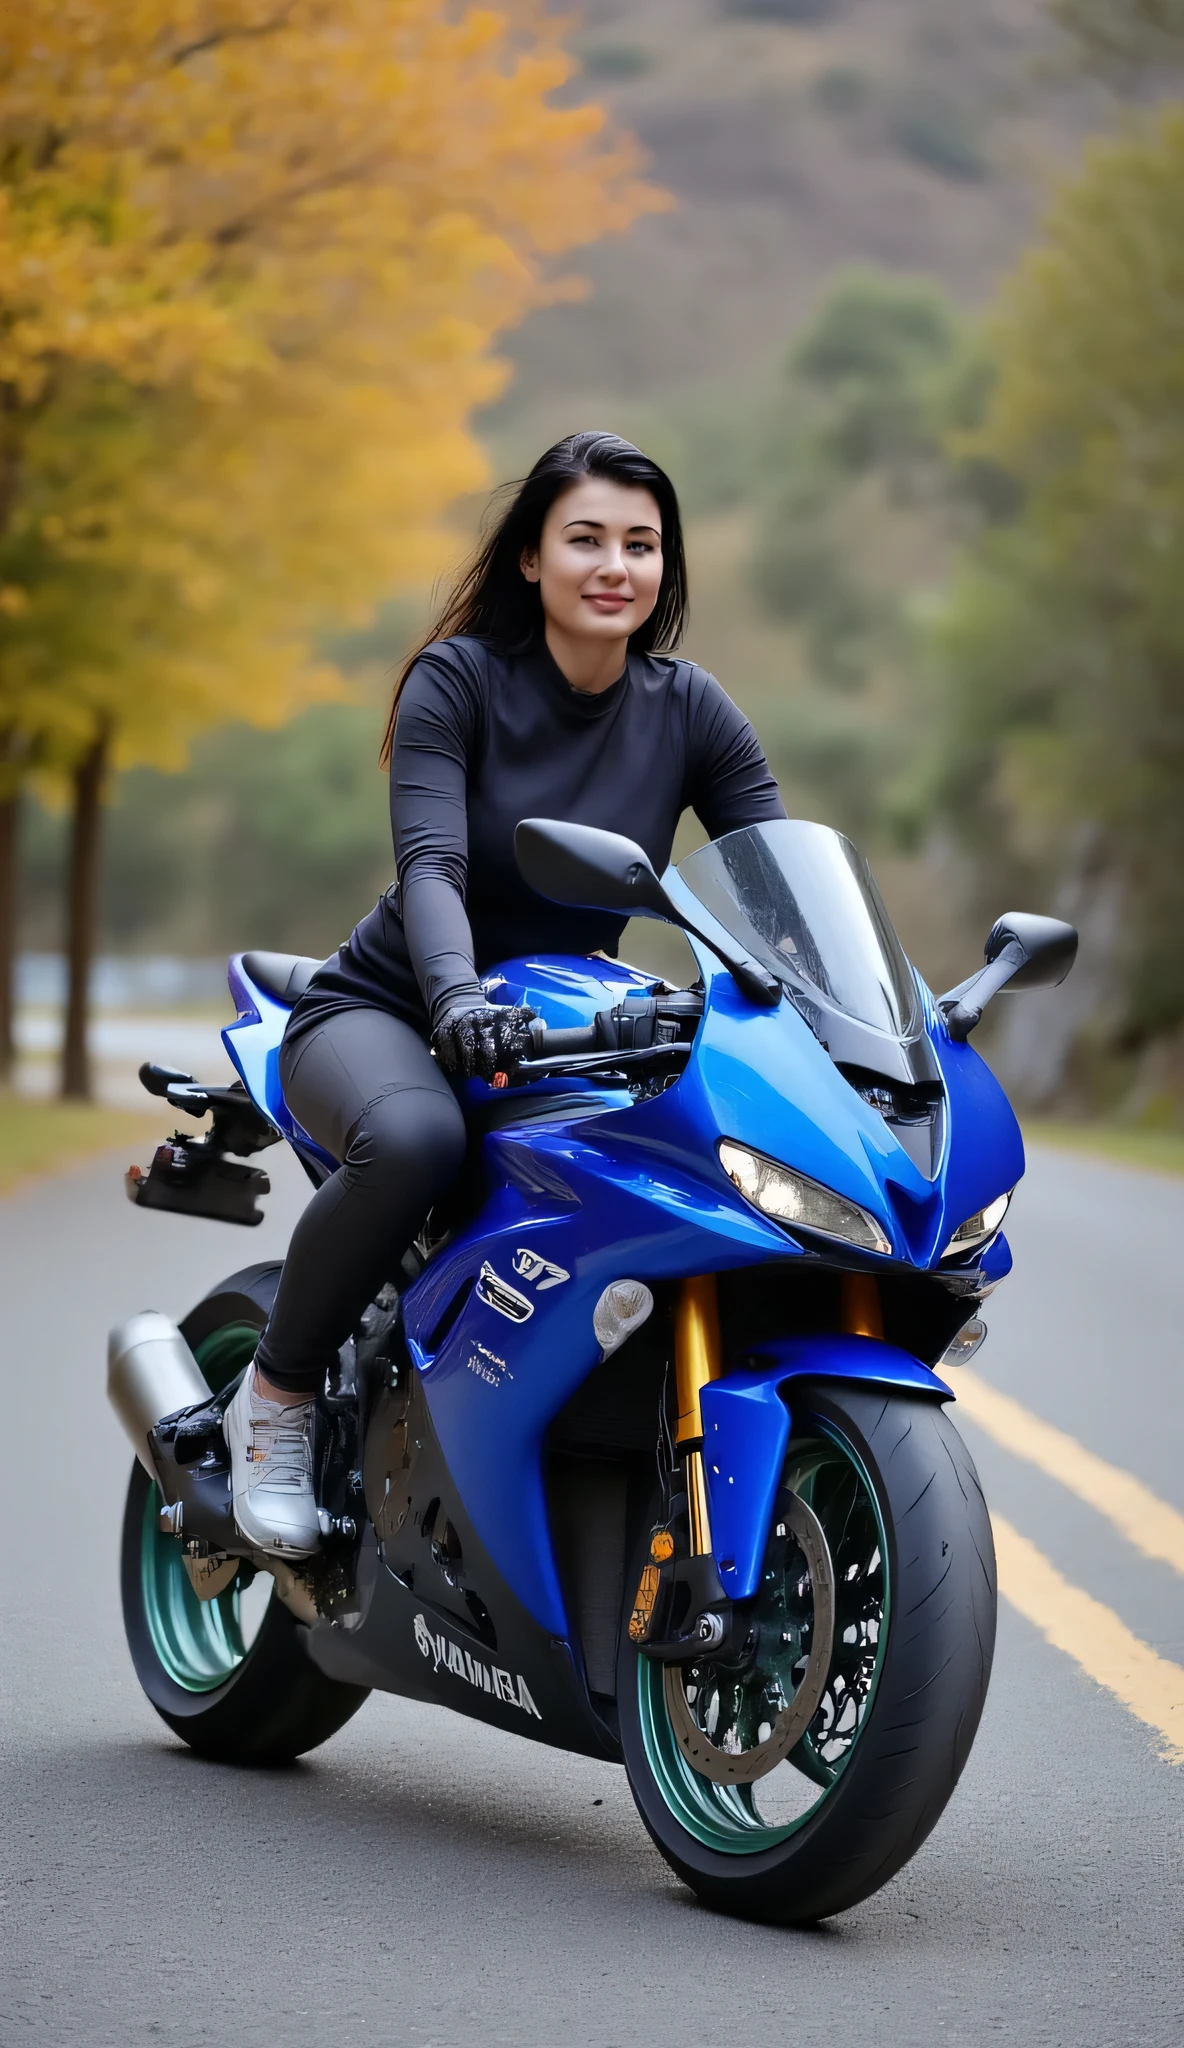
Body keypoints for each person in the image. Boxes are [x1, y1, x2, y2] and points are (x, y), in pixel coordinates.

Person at [224, 429, 786, 1556]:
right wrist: (452, 997)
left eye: (640, 543)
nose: (614, 565)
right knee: (419, 1139)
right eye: (585, 538)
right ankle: (275, 1399)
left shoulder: (690, 710)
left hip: (554, 1028)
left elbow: (775, 887)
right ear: (530, 557)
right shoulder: (460, 680)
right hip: (388, 1009)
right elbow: (432, 863)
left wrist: (852, 1010)